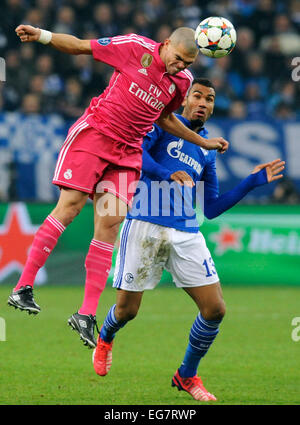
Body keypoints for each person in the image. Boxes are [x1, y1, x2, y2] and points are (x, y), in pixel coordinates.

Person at [8, 25, 229, 349]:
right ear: (165, 45)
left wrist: (203, 142)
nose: (181, 67)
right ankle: (23, 286)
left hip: (126, 155)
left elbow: (166, 119)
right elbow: (81, 45)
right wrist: (43, 36)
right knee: (70, 207)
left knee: (110, 225)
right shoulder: (131, 47)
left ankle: (85, 313)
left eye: (188, 64)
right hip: (95, 137)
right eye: (179, 59)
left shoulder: (181, 83)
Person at [92, 78, 285, 401]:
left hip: (186, 232)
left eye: (210, 99)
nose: (203, 103)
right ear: (184, 100)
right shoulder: (162, 123)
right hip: (144, 224)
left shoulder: (206, 150)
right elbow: (137, 154)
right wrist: (167, 174)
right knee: (127, 311)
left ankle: (186, 374)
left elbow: (212, 208)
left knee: (215, 309)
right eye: (197, 95)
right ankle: (106, 336)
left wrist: (251, 182)